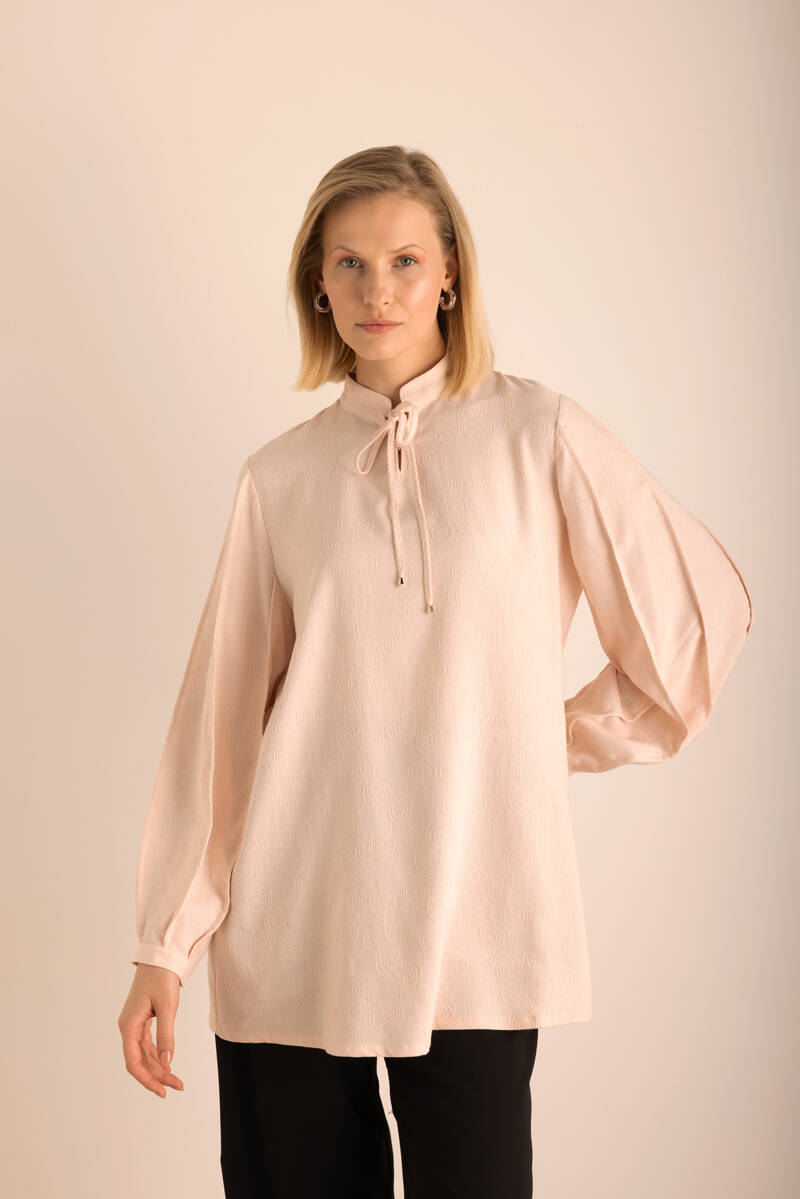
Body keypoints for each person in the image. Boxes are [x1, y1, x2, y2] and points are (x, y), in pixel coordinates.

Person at [118, 144, 753, 1197]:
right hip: (295, 918)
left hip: (478, 918)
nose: (379, 290)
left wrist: (541, 736)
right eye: (350, 264)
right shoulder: (280, 478)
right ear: (318, 283)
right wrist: (164, 944)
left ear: (450, 273)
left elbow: (691, 628)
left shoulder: (538, 434)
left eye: (405, 261)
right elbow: (220, 726)